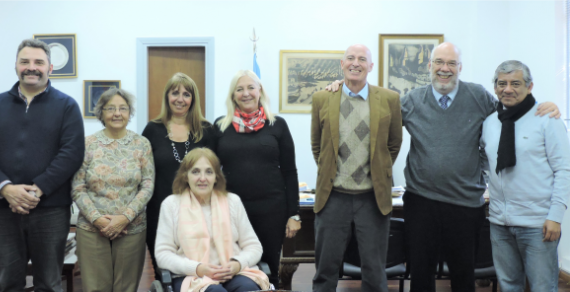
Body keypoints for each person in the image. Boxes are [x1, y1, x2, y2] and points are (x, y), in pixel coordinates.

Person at [325, 42, 560, 291]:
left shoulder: (478, 96)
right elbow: (374, 115)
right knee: (421, 276)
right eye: (439, 62)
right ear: (429, 66)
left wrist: (543, 106)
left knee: (463, 276)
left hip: (466, 205)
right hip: (421, 202)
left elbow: (510, 111)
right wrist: (343, 89)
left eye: (451, 63)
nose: (444, 69)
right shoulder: (413, 100)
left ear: (460, 67)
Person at [0, 39, 85, 291]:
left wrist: (37, 190)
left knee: (49, 283)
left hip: (51, 210)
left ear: (50, 68)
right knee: (7, 282)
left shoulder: (67, 106)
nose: (31, 67)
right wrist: (6, 189)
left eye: (38, 62)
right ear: (15, 66)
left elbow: (72, 153)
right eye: (25, 62)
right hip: (3, 210)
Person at [310, 44, 403, 292]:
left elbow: (394, 144)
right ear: (341, 64)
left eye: (362, 59)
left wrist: (378, 170)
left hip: (372, 198)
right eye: (350, 58)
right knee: (325, 269)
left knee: (374, 271)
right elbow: (317, 146)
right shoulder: (322, 98)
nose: (355, 63)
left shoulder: (390, 99)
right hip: (333, 198)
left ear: (371, 66)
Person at [481, 60, 570, 291]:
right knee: (509, 286)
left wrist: (556, 216)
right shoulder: (490, 123)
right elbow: (485, 161)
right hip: (499, 223)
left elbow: (564, 170)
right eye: (502, 83)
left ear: (529, 86)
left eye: (515, 83)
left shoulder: (548, 119)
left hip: (538, 225)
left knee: (543, 287)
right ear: (495, 87)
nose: (508, 89)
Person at [214, 70, 300, 285]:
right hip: (230, 211)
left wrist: (294, 214)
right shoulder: (220, 126)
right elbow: (210, 172)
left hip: (271, 210)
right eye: (239, 89)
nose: (246, 93)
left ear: (260, 91)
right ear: (233, 95)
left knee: (269, 267)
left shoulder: (277, 125)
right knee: (234, 267)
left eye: (251, 87)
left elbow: (290, 172)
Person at [71, 88, 155, 291]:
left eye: (123, 108)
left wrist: (124, 217)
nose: (117, 113)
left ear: (129, 113)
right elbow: (77, 187)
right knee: (95, 288)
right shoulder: (87, 144)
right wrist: (98, 220)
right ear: (101, 113)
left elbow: (147, 184)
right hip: (92, 229)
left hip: (131, 228)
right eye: (111, 108)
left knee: (125, 288)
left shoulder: (141, 144)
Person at [155, 148, 271, 292]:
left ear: (216, 176)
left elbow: (254, 246)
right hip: (191, 276)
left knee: (248, 288)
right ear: (185, 176)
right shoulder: (171, 204)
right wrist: (198, 268)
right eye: (195, 171)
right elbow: (163, 254)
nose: (202, 178)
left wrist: (237, 264)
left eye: (209, 172)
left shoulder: (232, 201)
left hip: (232, 273)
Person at [142, 72, 217, 280]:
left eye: (186, 94)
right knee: (164, 274)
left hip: (200, 215)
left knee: (198, 272)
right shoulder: (152, 130)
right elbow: (142, 172)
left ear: (193, 99)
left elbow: (217, 174)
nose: (180, 99)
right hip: (160, 215)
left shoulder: (207, 131)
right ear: (167, 96)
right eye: (175, 93)